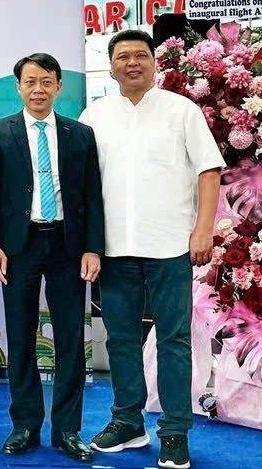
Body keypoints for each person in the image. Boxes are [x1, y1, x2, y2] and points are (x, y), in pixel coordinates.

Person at [79, 29, 223, 469]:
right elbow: (84, 186)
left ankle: (175, 432)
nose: (132, 63)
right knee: (121, 339)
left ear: (154, 62)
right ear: (111, 67)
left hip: (171, 245)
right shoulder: (94, 115)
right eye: (123, 56)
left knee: (174, 341)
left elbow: (209, 171)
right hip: (114, 248)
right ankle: (128, 422)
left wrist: (203, 230)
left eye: (140, 55)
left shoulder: (181, 110)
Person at [0, 53, 103, 462]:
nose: (38, 89)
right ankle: (25, 426)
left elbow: (92, 195)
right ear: (18, 87)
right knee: (20, 337)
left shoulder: (80, 134)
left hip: (68, 245)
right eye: (30, 82)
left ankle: (67, 430)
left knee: (70, 340)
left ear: (58, 87)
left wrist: (93, 247)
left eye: (46, 82)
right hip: (19, 246)